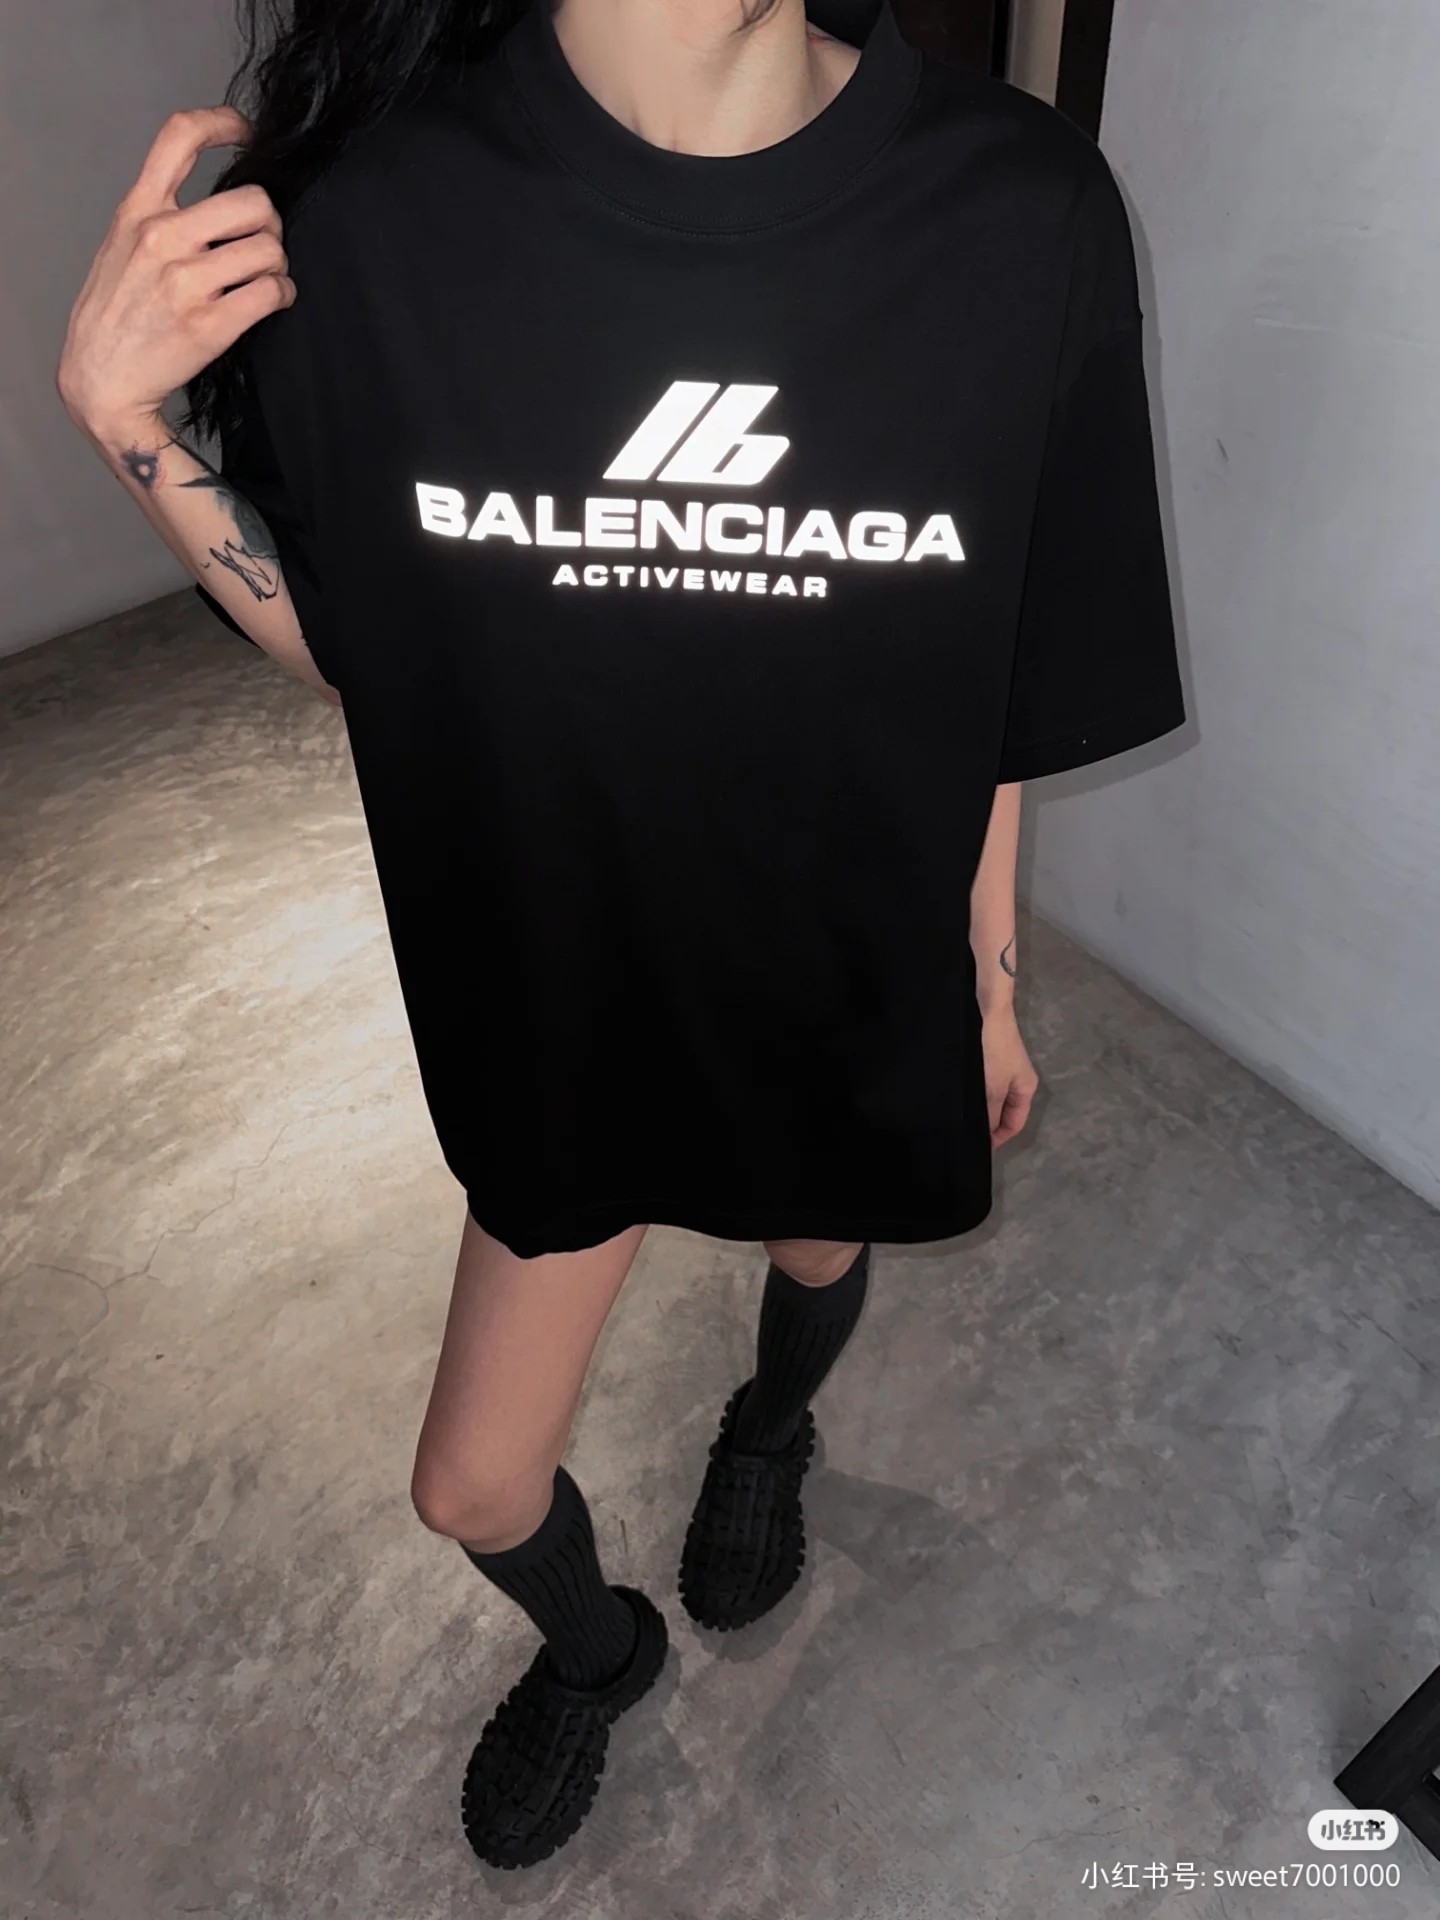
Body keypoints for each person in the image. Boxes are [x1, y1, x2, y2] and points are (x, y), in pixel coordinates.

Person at [57, 0, 1186, 1872]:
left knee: (817, 1245)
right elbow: (369, 651)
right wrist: (130, 430)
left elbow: (994, 669)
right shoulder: (374, 216)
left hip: (836, 968)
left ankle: (769, 1432)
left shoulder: (1017, 207)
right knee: (471, 1482)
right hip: (561, 994)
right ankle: (600, 1650)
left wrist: (985, 980)